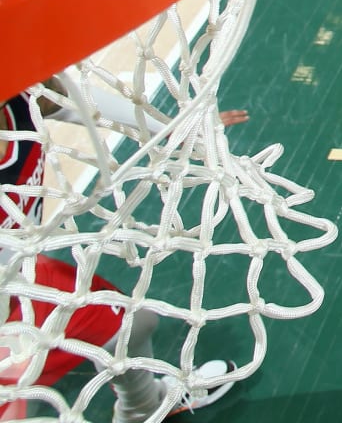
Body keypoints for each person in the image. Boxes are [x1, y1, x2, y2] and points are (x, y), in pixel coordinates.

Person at [2, 81, 244, 420]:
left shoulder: (21, 91)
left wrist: (172, 128)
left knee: (132, 324)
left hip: (19, 277)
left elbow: (67, 98)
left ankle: (143, 408)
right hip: (10, 302)